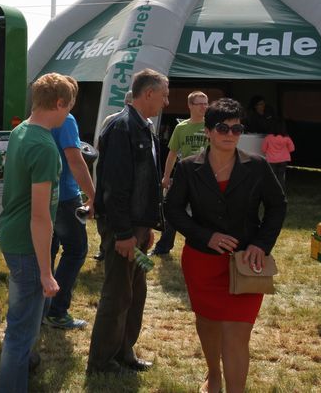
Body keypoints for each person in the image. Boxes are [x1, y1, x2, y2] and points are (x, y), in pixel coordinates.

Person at [164, 98, 286, 393]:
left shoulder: (256, 166)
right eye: (222, 128)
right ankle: (212, 373)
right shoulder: (188, 167)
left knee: (236, 333)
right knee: (207, 324)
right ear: (207, 131)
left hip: (246, 264)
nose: (230, 134)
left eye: (236, 128)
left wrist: (261, 244)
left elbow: (277, 206)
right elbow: (174, 210)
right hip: (202, 263)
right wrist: (207, 236)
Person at [87, 69, 169, 375]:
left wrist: (147, 227)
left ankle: (124, 352)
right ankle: (102, 361)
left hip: (137, 228)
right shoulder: (122, 128)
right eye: (164, 95)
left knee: (136, 291)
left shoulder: (143, 126)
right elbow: (115, 186)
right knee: (118, 294)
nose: (166, 101)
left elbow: (145, 183)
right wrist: (123, 233)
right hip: (122, 230)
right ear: (148, 94)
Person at [0, 72, 76, 392]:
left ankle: (22, 370)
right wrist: (46, 272)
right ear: (59, 103)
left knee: (21, 321)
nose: (70, 113)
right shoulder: (43, 146)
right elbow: (40, 216)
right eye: (69, 107)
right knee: (20, 332)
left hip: (13, 236)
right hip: (27, 246)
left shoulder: (21, 130)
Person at [44, 90, 95, 329]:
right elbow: (75, 160)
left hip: (43, 196)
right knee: (75, 250)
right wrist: (93, 195)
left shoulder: (38, 118)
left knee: (49, 249)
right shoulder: (67, 119)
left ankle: (42, 308)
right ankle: (56, 311)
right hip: (65, 197)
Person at [151, 91, 209, 256]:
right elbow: (172, 154)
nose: (204, 106)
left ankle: (201, 246)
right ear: (190, 105)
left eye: (206, 103)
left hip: (205, 177)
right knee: (172, 212)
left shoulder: (211, 127)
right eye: (200, 103)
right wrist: (166, 176)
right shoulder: (181, 128)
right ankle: (163, 247)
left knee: (203, 214)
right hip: (183, 176)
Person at [94, 90, 133, 262]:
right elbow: (100, 143)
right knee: (106, 219)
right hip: (112, 174)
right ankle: (104, 249)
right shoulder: (112, 120)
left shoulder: (146, 122)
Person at [261, 118, 295, 192]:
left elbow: (263, 149)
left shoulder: (268, 138)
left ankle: (271, 193)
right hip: (283, 160)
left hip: (271, 160)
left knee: (272, 178)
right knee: (280, 177)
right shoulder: (287, 138)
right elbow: (292, 149)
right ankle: (281, 193)